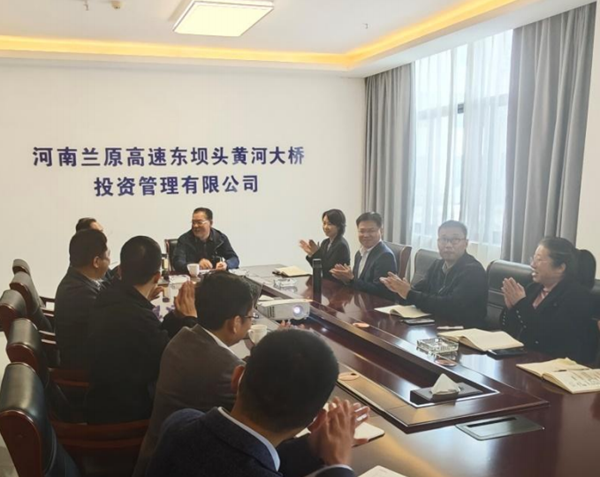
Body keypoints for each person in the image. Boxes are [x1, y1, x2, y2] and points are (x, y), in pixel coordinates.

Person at [146, 329, 360, 477]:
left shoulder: (180, 423)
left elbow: (242, 456)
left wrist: (311, 447)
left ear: (237, 377)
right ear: (316, 419)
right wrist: (339, 464)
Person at [133, 272, 256, 477]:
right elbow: (265, 409)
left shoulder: (184, 337)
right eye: (251, 317)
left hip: (156, 457)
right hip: (175, 467)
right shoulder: (226, 368)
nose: (251, 324)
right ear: (235, 323)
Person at [84, 236, 197, 424]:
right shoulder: (135, 316)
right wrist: (190, 319)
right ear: (157, 277)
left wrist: (176, 317)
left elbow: (156, 338)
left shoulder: (110, 297)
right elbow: (179, 361)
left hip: (103, 401)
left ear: (120, 270)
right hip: (126, 418)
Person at [500, 237, 599, 363]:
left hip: (553, 364)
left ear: (560, 268)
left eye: (539, 260)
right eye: (533, 259)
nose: (532, 265)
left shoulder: (577, 296)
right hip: (525, 357)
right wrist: (511, 308)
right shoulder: (533, 288)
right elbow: (512, 331)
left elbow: (549, 338)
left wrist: (521, 304)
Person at [381, 220, 488, 327]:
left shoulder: (474, 271)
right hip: (435, 325)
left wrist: (409, 293)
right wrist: (399, 290)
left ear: (466, 243)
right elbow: (419, 291)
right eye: (444, 240)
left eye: (455, 240)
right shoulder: (437, 264)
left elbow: (450, 306)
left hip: (463, 330)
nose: (448, 245)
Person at [54, 229, 110, 369]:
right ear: (96, 262)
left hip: (86, 354)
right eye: (108, 256)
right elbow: (113, 327)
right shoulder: (81, 294)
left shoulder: (76, 280)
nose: (110, 262)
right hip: (86, 369)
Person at [330, 212, 397, 300]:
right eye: (362, 231)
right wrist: (346, 279)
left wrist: (352, 279)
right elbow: (358, 283)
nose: (366, 235)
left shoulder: (385, 256)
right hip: (360, 301)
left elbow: (380, 292)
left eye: (371, 231)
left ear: (381, 231)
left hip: (377, 305)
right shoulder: (359, 253)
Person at [172, 207, 240, 273]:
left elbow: (234, 259)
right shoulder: (184, 239)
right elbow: (177, 263)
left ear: (210, 223)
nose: (195, 226)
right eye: (193, 222)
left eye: (199, 222)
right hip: (193, 278)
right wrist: (196, 266)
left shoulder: (220, 238)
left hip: (216, 277)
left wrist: (226, 264)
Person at [300, 209, 351, 280]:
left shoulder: (341, 245)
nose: (325, 227)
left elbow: (329, 269)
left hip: (336, 284)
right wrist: (311, 254)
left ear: (339, 226)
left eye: (329, 224)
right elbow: (317, 267)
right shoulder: (325, 242)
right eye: (324, 223)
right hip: (326, 282)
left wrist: (316, 253)